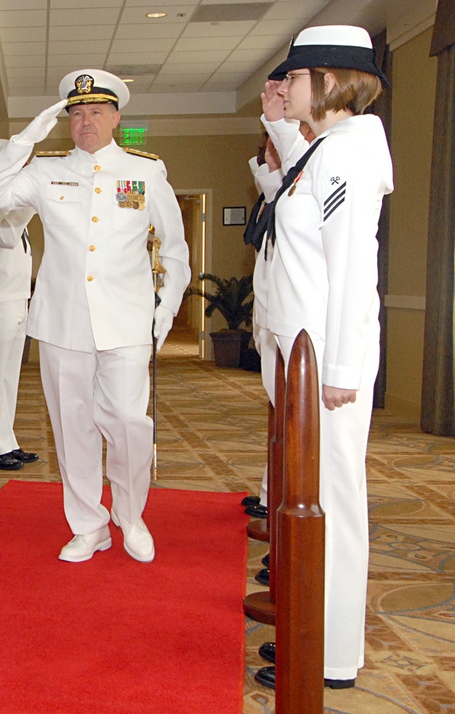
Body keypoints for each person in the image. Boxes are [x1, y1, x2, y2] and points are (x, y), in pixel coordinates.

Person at [0, 69, 190, 564]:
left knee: (129, 424)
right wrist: (27, 136)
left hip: (128, 322)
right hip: (62, 321)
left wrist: (165, 314)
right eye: (75, 113)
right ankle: (89, 525)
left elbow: (175, 253)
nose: (85, 121)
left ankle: (131, 516)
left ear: (116, 116)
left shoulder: (145, 171)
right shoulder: (45, 171)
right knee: (72, 427)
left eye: (95, 111)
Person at [250, 24, 393, 691]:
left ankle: (330, 653)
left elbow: (353, 270)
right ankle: (312, 632)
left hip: (325, 363)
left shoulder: (351, 154)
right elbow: (291, 211)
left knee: (332, 503)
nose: (285, 88)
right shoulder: (326, 149)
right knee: (311, 500)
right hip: (303, 357)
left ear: (329, 80)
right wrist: (278, 122)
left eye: (295, 79)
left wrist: (339, 371)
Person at [0, 138, 39, 471]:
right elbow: (7, 236)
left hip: (18, 299)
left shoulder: (14, 207)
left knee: (10, 376)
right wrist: (31, 204)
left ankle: (6, 439)